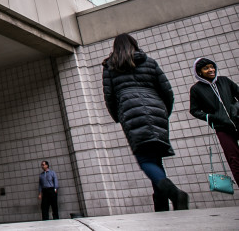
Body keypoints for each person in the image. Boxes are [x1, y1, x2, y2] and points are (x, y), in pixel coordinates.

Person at [102, 33, 188, 211]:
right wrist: (165, 111)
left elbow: (109, 96)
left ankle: (174, 193)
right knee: (155, 158)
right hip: (156, 108)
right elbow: (167, 90)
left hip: (130, 110)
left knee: (145, 158)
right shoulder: (149, 62)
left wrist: (117, 116)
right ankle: (161, 205)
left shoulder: (110, 67)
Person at [189, 57, 239, 182]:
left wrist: (236, 108)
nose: (211, 70)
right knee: (234, 159)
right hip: (222, 128)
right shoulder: (196, 89)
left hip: (238, 121)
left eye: (212, 67)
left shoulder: (224, 81)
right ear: (199, 72)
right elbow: (194, 110)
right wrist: (212, 117)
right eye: (206, 68)